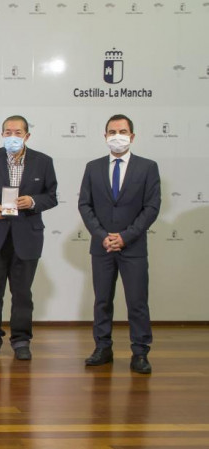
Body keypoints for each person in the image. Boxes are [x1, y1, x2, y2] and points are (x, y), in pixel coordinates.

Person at [0, 115, 58, 360]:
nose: (12, 137)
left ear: (27, 136)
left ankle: (21, 340)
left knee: (22, 293)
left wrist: (34, 201)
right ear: (2, 135)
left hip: (26, 236)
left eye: (17, 133)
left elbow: (52, 196)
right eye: (8, 132)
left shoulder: (43, 162)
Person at [78, 114, 160, 374]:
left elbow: (151, 207)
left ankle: (140, 352)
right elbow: (85, 205)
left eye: (122, 131)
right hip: (101, 246)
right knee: (102, 300)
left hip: (133, 247)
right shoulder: (93, 167)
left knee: (137, 302)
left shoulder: (147, 167)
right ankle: (103, 348)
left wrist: (125, 236)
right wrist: (103, 235)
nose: (117, 136)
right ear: (105, 137)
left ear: (132, 136)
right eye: (112, 131)